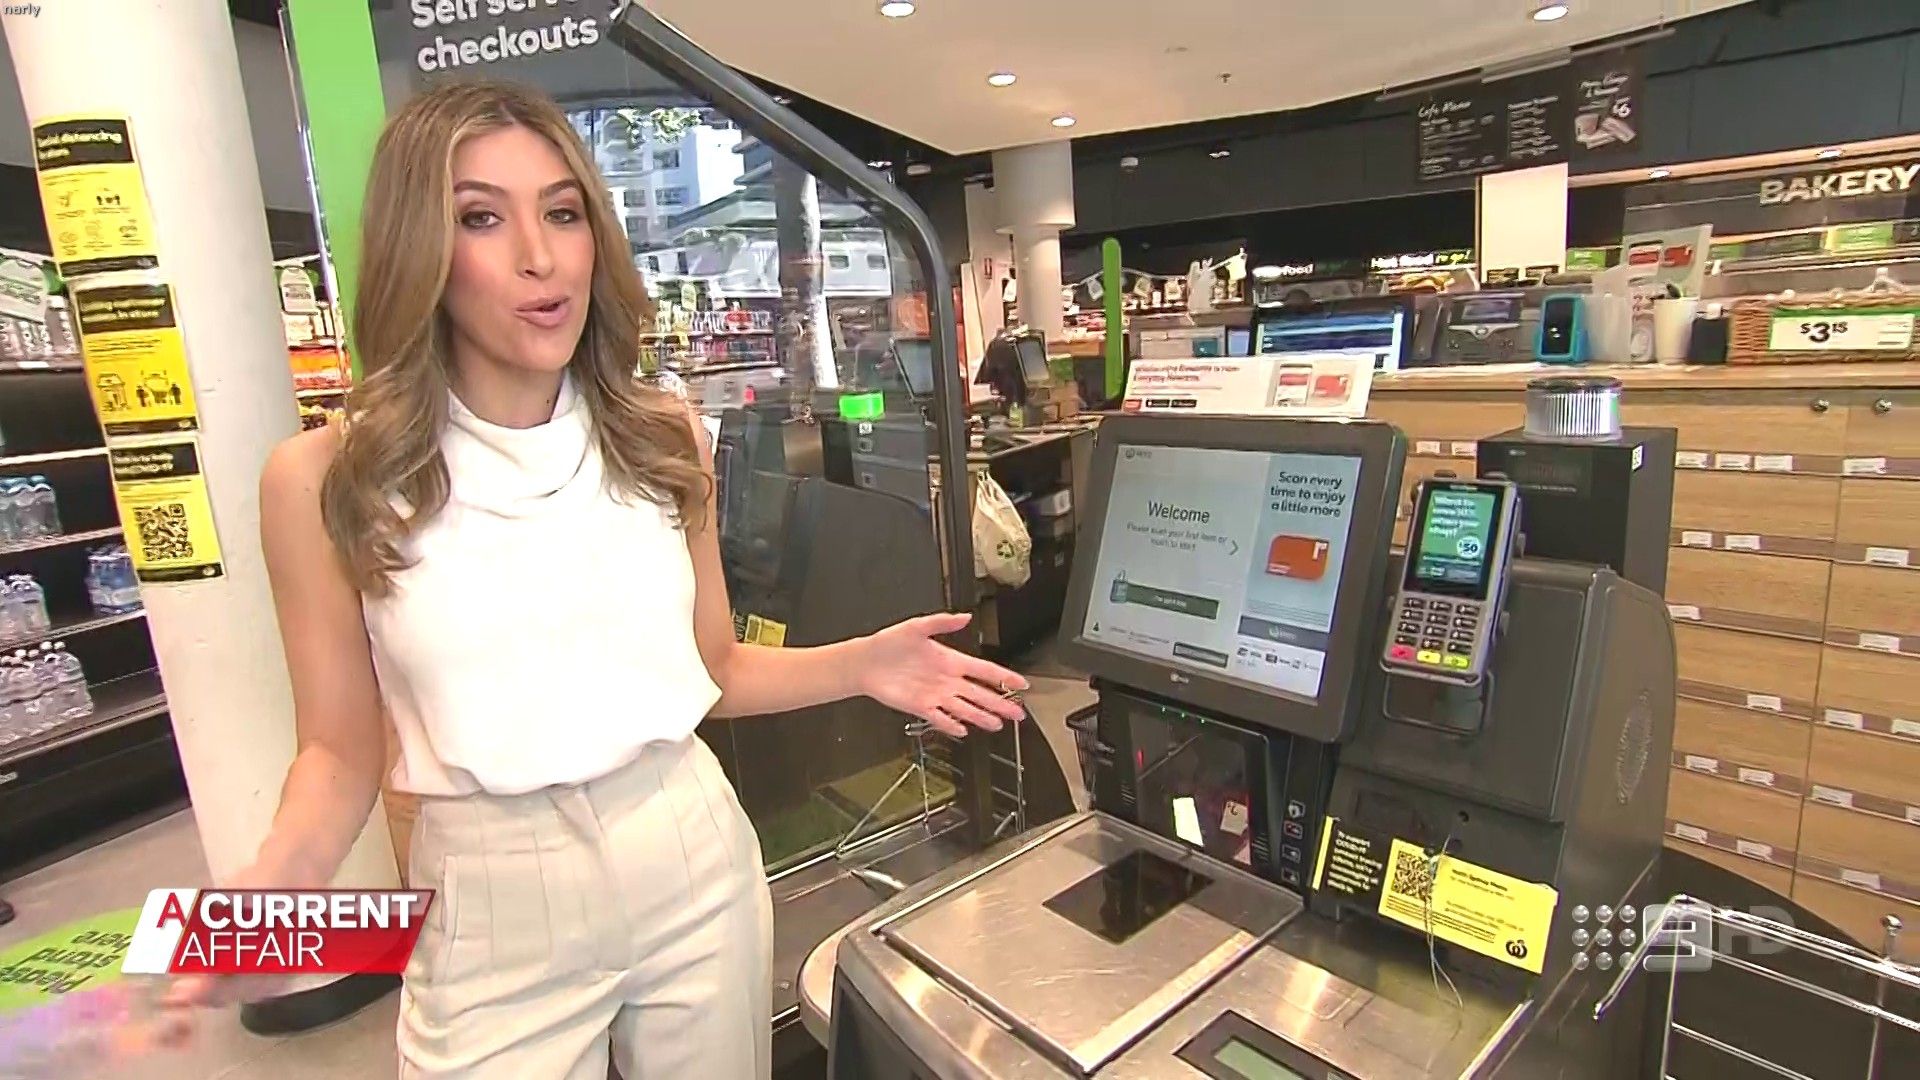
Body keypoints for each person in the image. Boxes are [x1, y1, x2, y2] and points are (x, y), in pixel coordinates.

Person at [167, 80, 1027, 1078]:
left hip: (690, 852)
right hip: (490, 897)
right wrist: (263, 896)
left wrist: (863, 665)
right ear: (420, 249)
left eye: (563, 213)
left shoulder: (659, 435)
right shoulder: (327, 480)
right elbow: (337, 754)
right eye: (482, 218)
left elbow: (712, 668)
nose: (540, 257)